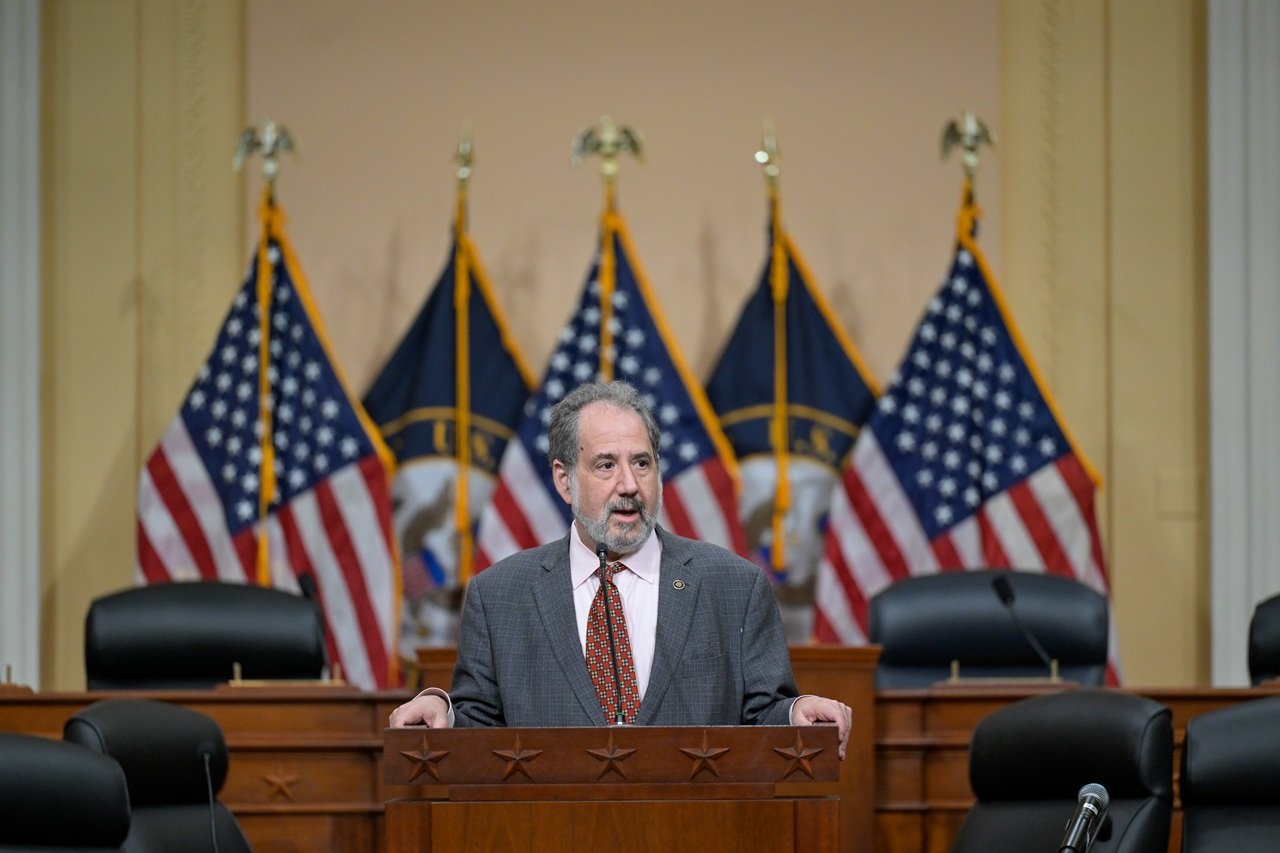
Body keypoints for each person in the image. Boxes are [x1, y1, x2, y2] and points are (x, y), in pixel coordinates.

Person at [389, 380, 852, 758]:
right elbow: (478, 729)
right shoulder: (499, 596)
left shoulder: (734, 586)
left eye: (642, 463)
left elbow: (763, 714)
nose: (629, 485)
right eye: (606, 465)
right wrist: (441, 710)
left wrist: (796, 712)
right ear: (564, 480)